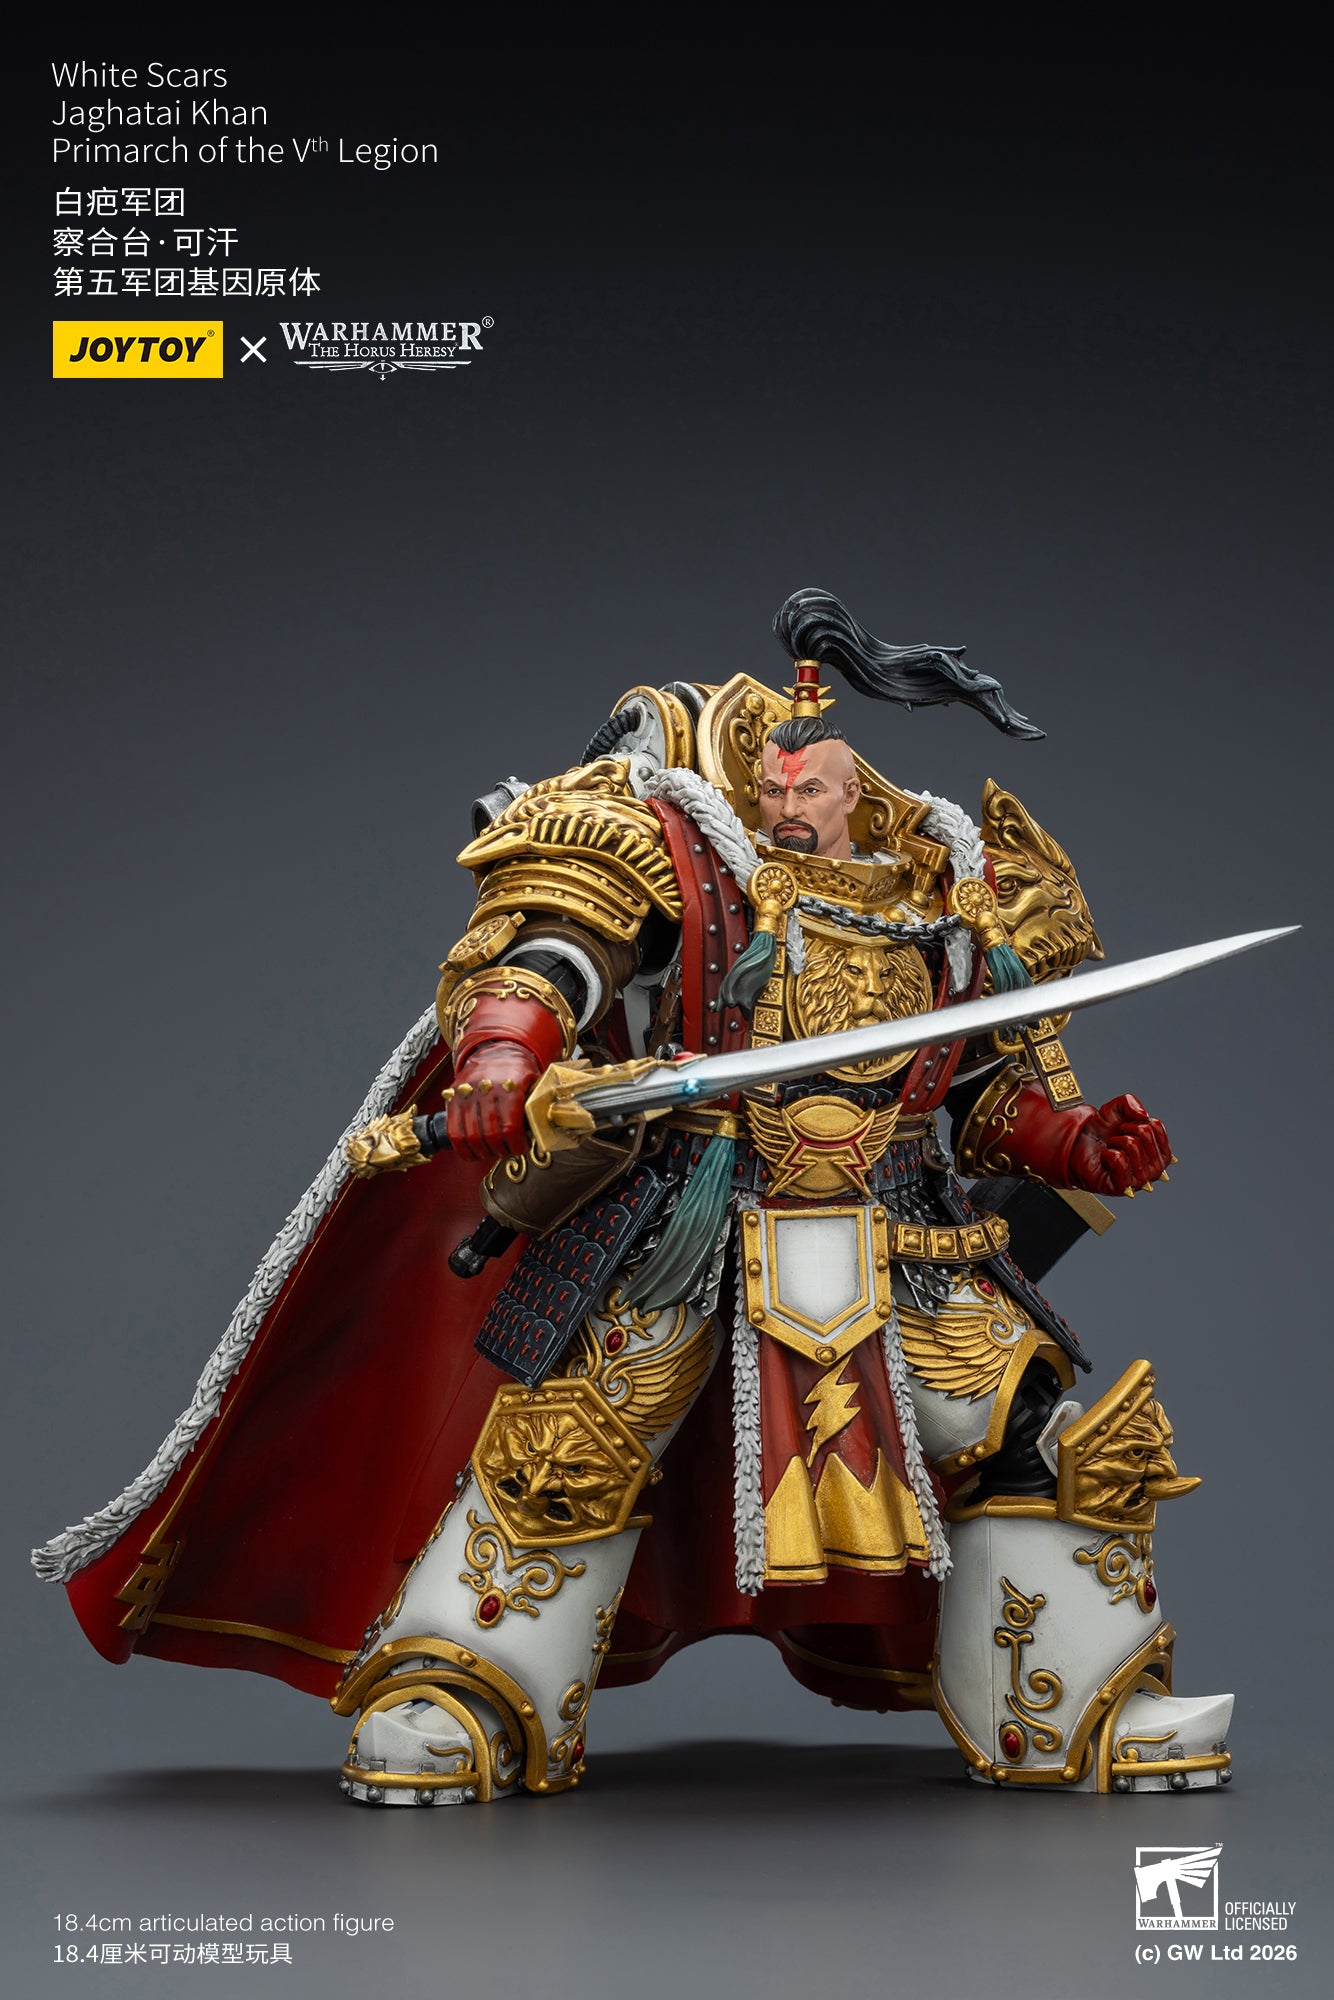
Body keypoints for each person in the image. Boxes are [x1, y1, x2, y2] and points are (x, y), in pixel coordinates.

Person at [34, 589, 1231, 1802]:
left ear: (857, 795)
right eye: (772, 786)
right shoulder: (687, 861)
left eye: (810, 788)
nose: (785, 804)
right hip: (697, 1222)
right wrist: (503, 1055)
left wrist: (1076, 1141)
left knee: (1028, 1432)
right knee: (573, 1441)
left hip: (897, 1239)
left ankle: (1081, 1700)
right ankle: (466, 1687)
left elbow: (972, 1090)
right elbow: (551, 958)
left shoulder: (941, 898)